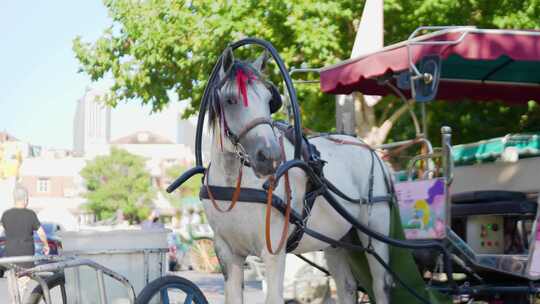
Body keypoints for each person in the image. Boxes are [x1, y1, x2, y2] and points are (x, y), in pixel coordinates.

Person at [0, 185, 49, 259]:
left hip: (10, 256)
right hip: (27, 256)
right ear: (25, 199)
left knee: (11, 270)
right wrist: (46, 245)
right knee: (27, 271)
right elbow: (41, 233)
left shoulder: (6, 214)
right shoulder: (31, 214)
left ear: (14, 199)